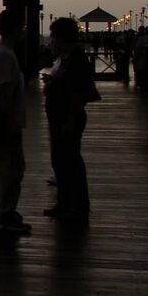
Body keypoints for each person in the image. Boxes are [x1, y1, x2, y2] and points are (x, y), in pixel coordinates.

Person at [42, 17, 94, 226]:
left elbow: (77, 94)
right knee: (60, 162)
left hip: (68, 119)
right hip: (58, 118)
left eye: (53, 36)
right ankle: (64, 203)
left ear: (62, 38)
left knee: (71, 162)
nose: (51, 41)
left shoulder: (77, 60)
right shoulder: (64, 58)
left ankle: (79, 206)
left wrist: (70, 120)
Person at [0, 9, 31, 234]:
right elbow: (4, 90)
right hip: (6, 122)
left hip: (5, 120)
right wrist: (8, 123)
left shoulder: (2, 51)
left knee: (3, 168)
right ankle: (5, 213)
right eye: (22, 27)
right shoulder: (4, 55)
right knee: (11, 169)